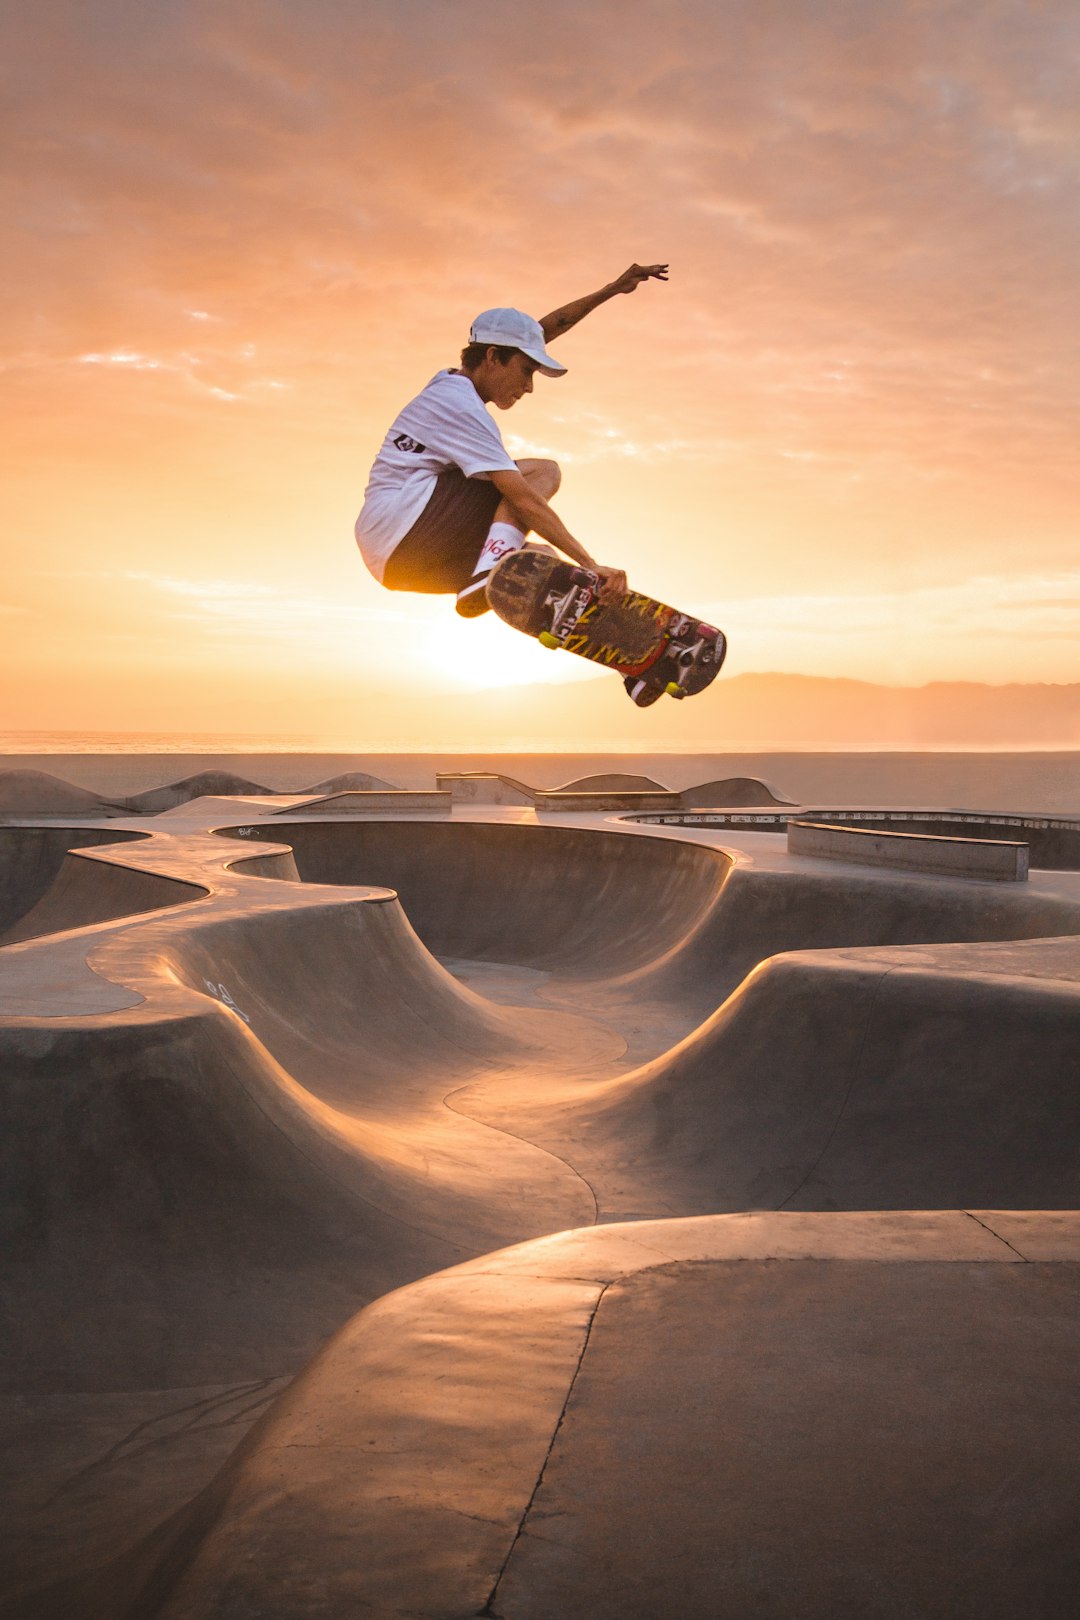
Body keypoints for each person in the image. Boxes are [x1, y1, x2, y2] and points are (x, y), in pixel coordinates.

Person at [354, 263, 669, 619]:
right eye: (526, 372)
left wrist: (610, 290)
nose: (529, 387)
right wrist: (590, 562)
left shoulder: (450, 385)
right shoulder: (460, 407)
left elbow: (537, 333)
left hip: (397, 564)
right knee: (540, 473)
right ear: (492, 358)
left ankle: (499, 584)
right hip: (405, 529)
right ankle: (489, 570)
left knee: (543, 567)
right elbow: (522, 498)